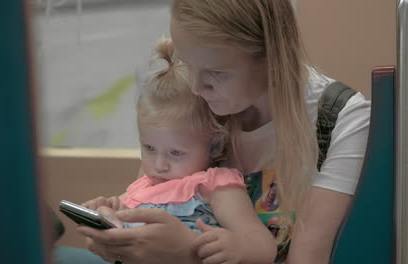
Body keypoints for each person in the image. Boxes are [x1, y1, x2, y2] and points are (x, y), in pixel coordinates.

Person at [73, 1, 370, 263]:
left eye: (217, 73)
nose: (196, 88)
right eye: (187, 64)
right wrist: (120, 237)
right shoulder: (191, 101)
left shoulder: (340, 118)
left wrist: (190, 253)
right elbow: (151, 195)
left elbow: (307, 259)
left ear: (271, 56)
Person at [78, 38, 276, 264]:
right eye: (149, 148)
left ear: (215, 145)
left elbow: (264, 247)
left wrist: (237, 248)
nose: (159, 164)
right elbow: (120, 225)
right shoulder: (144, 184)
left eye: (176, 153)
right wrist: (104, 212)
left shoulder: (214, 186)